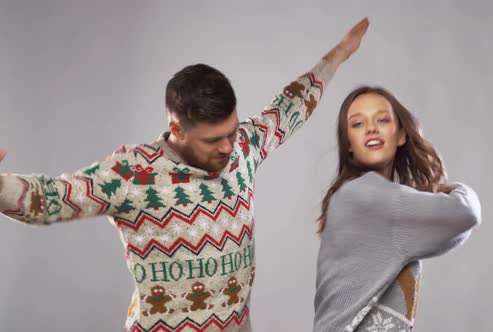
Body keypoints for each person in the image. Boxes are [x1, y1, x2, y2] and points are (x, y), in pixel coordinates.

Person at [0, 19, 369, 332]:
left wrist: (336, 56)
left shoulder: (244, 146)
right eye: (213, 140)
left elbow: (288, 107)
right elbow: (52, 199)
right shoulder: (132, 172)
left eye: (231, 131)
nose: (227, 146)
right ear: (176, 128)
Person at [313, 86, 482, 332]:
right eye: (357, 124)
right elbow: (465, 214)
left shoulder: (364, 198)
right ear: (348, 144)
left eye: (382, 119)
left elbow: (449, 229)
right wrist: (454, 189)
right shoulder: (364, 196)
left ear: (401, 134)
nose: (371, 128)